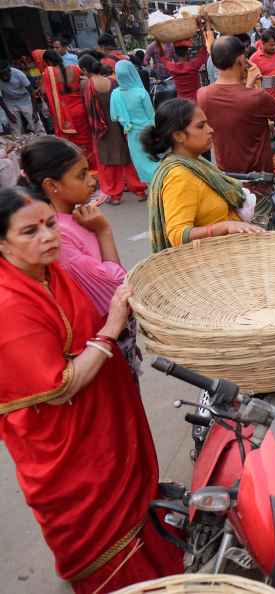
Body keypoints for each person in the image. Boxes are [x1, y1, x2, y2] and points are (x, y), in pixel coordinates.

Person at [0, 186, 183, 593]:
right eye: (29, 232)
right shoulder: (8, 305)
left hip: (103, 416)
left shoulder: (49, 272)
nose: (49, 237)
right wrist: (111, 329)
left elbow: (107, 293)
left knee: (133, 502)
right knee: (97, 529)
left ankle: (155, 565)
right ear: (2, 242)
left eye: (50, 224)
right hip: (65, 446)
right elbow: (60, 389)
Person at [18, 136, 141, 375]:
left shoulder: (76, 218)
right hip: (100, 341)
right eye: (81, 175)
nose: (91, 181)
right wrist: (104, 232)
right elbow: (116, 288)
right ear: (52, 186)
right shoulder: (58, 235)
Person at [141, 98, 263, 252]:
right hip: (211, 263)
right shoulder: (179, 176)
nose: (210, 129)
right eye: (201, 126)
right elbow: (178, 235)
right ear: (178, 136)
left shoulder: (196, 162)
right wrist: (225, 227)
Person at [198, 35, 275, 174]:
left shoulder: (203, 95)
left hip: (228, 177)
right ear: (240, 60)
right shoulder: (256, 97)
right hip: (258, 178)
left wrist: (248, 84)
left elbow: (235, 115)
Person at [79, 56, 146, 205]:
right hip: (119, 124)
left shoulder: (87, 85)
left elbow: (88, 110)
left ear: (85, 70)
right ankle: (140, 190)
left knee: (109, 162)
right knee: (127, 158)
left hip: (102, 128)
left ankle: (115, 195)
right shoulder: (113, 82)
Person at [42, 51, 95, 170]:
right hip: (81, 109)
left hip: (66, 113)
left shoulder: (49, 73)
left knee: (73, 143)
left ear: (49, 62)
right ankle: (93, 166)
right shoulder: (75, 68)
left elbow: (45, 93)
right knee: (87, 140)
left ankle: (80, 167)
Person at [110, 60, 158, 184]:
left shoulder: (115, 94)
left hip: (131, 135)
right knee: (153, 161)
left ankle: (151, 189)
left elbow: (114, 116)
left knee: (142, 164)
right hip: (148, 132)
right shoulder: (141, 93)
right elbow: (152, 116)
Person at [0, 61, 42, 135]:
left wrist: (34, 111)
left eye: (6, 74)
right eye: (1, 75)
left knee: (35, 122)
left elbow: (32, 92)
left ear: (9, 70)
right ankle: (18, 143)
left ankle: (43, 139)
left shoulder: (19, 74)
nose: (4, 77)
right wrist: (8, 113)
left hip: (25, 99)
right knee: (15, 127)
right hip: (9, 101)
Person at [249, 30, 275, 101]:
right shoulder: (254, 59)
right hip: (265, 101)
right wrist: (273, 81)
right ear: (263, 43)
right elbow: (251, 83)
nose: (274, 47)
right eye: (271, 45)